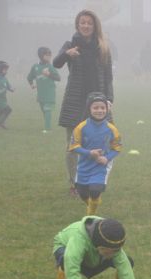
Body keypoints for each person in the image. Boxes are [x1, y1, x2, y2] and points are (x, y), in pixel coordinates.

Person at [53, 9, 114, 198]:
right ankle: (74, 183)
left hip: (98, 102)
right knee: (73, 145)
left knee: (103, 143)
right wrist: (66, 54)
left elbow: (109, 76)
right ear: (77, 25)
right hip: (75, 101)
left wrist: (109, 99)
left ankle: (94, 180)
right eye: (82, 23)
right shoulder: (70, 45)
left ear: (95, 26)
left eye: (89, 23)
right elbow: (56, 63)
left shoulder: (103, 46)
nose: (86, 26)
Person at [44, 216, 142, 279]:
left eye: (116, 251)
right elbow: (71, 268)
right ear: (99, 246)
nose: (113, 255)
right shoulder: (78, 239)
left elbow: (124, 267)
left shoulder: (111, 243)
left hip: (94, 253)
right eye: (110, 252)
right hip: (65, 247)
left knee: (128, 261)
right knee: (64, 263)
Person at [69, 92, 122, 216]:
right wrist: (89, 153)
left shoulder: (112, 128)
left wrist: (107, 158)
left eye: (102, 108)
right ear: (89, 109)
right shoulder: (80, 127)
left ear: (107, 110)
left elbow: (117, 147)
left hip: (101, 166)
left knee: (95, 190)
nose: (99, 110)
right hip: (84, 165)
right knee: (82, 192)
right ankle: (93, 204)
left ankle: (91, 216)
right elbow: (73, 145)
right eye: (96, 107)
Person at [27, 47, 61, 133]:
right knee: (44, 111)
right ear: (41, 56)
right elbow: (29, 77)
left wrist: (49, 74)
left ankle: (47, 129)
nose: (49, 57)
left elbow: (58, 78)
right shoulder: (35, 67)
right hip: (41, 94)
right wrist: (32, 85)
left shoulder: (50, 66)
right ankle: (47, 125)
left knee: (47, 110)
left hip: (50, 93)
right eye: (47, 55)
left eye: (50, 55)